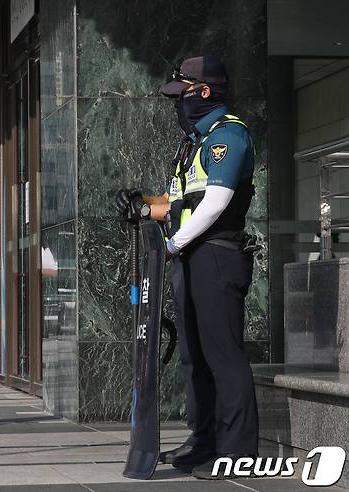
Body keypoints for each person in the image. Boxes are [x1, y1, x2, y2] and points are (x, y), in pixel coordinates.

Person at [117, 56, 258, 479]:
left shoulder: (228, 136)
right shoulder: (194, 144)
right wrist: (143, 206)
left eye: (184, 94)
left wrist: (176, 241)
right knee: (194, 358)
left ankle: (236, 453)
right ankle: (203, 441)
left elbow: (215, 202)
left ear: (205, 92)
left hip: (216, 255)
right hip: (190, 258)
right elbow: (181, 202)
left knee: (223, 356)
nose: (178, 104)